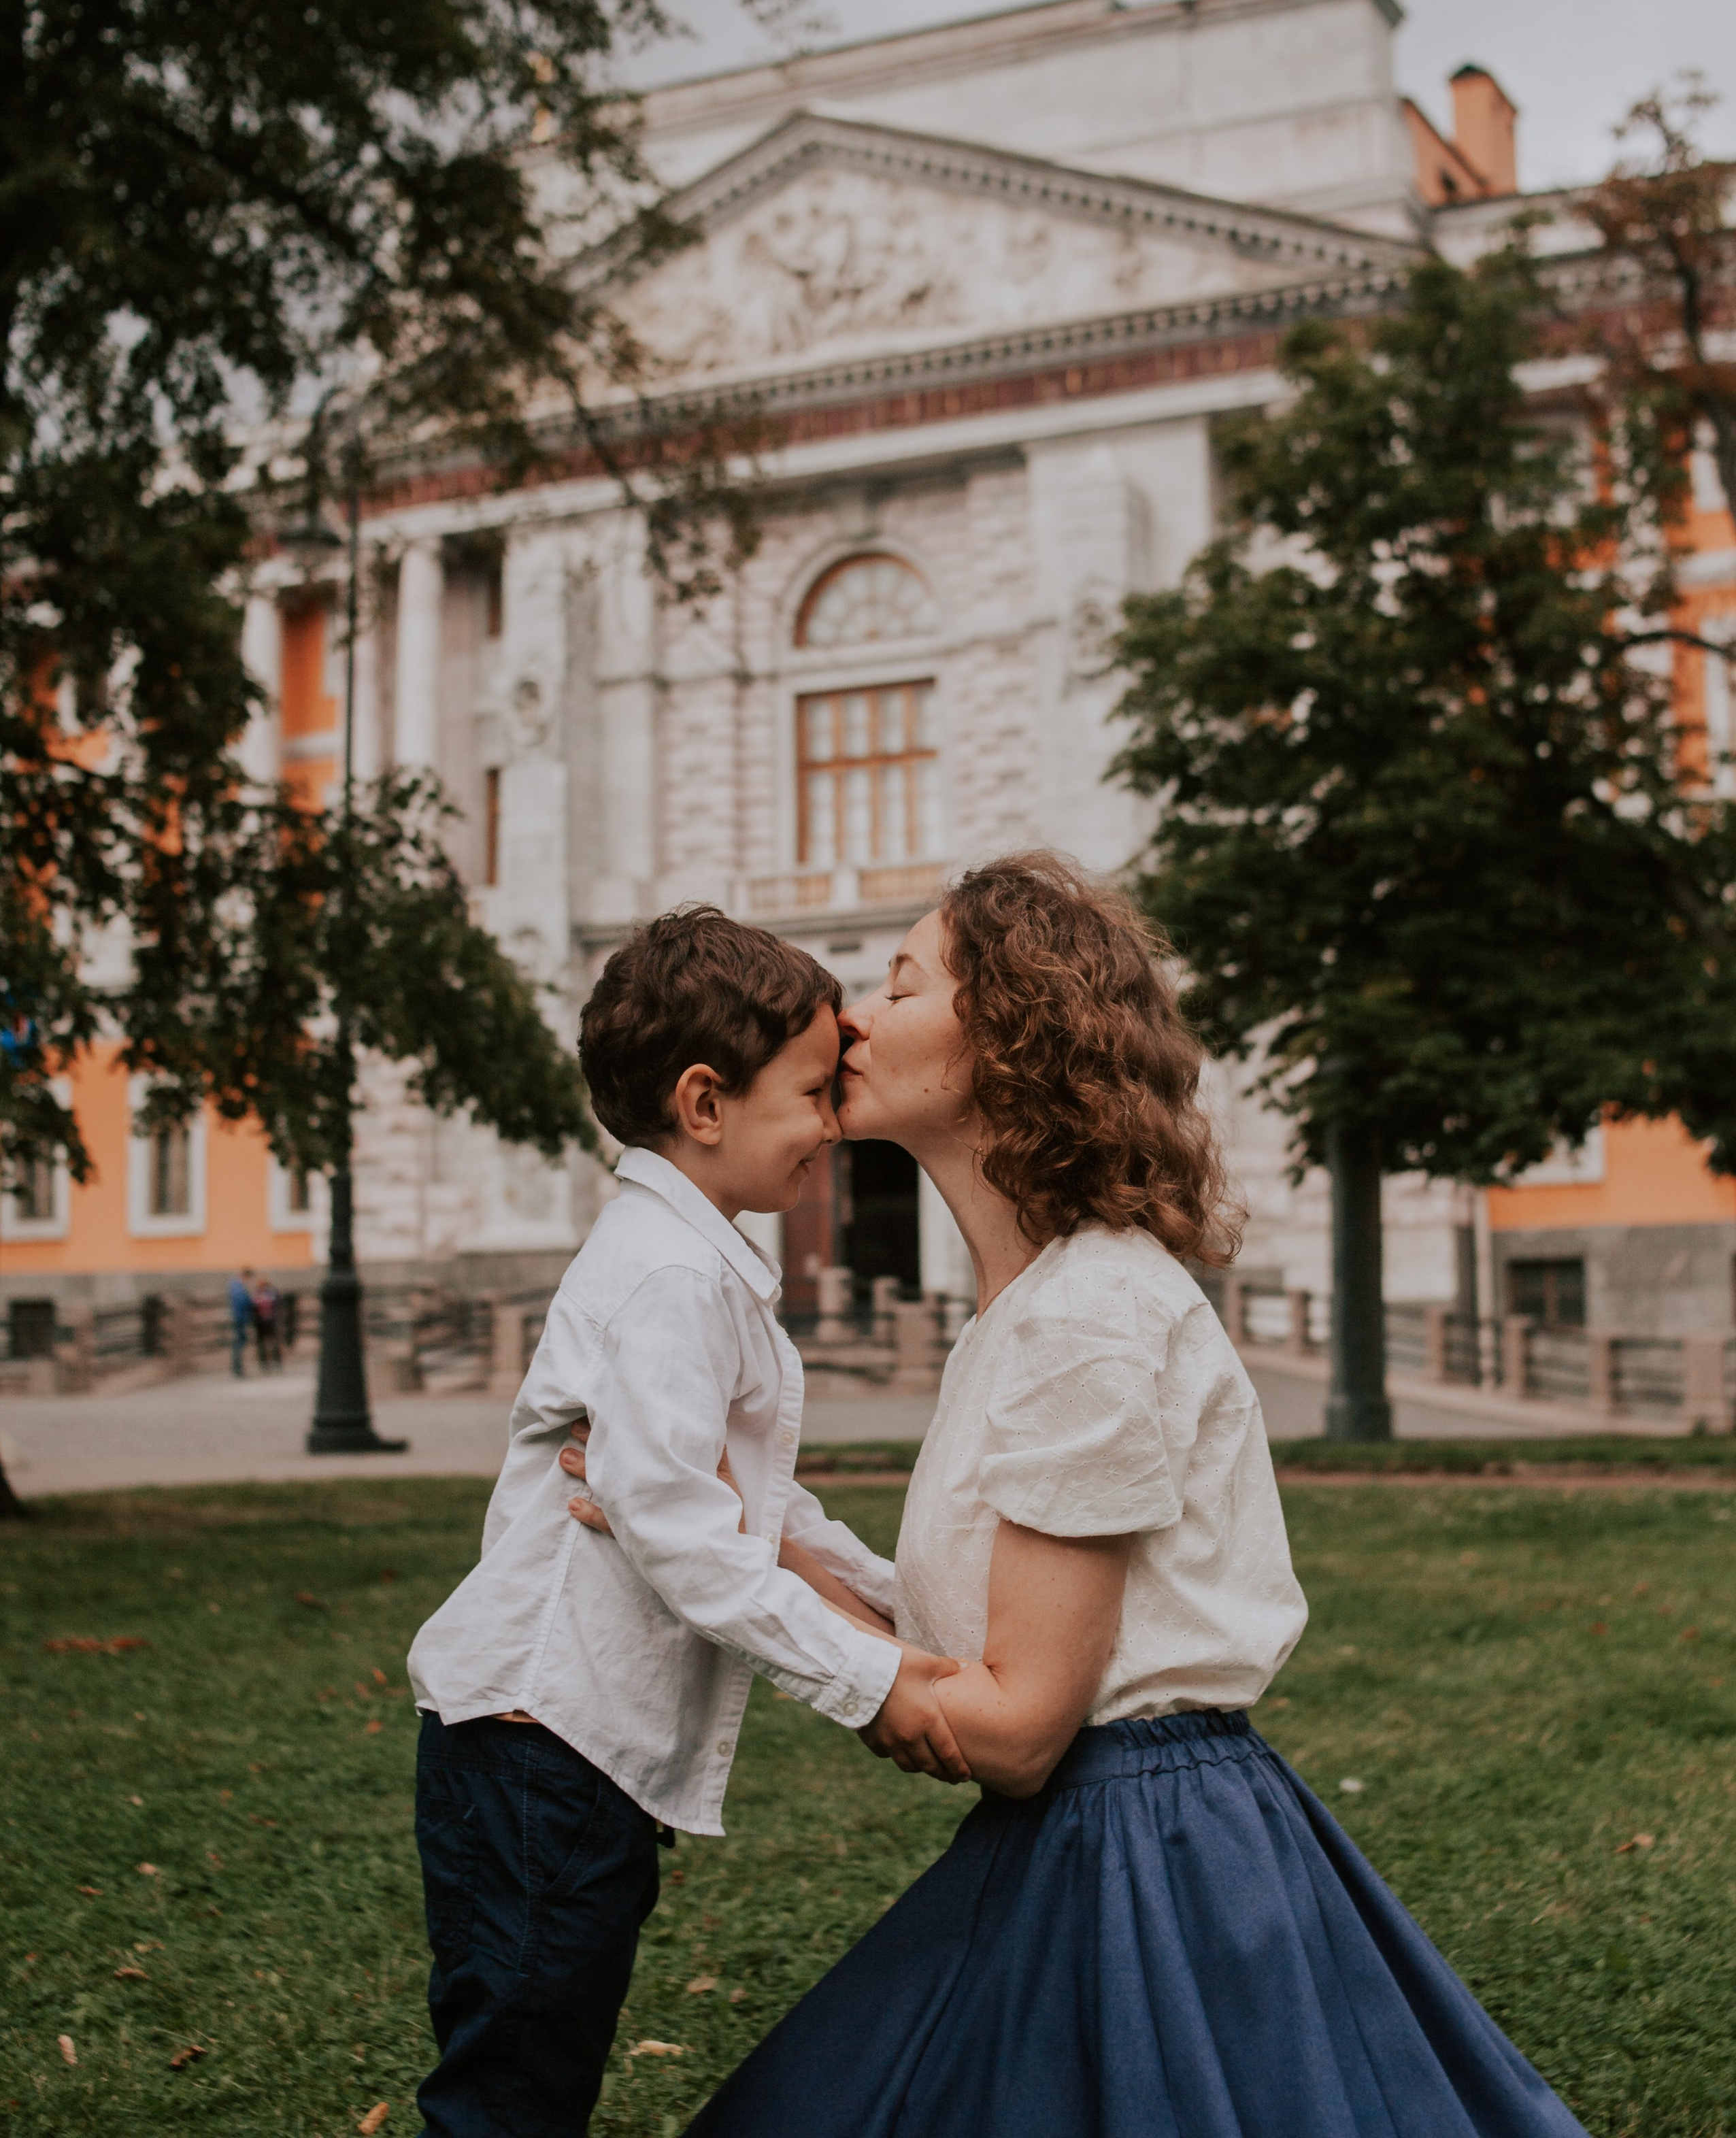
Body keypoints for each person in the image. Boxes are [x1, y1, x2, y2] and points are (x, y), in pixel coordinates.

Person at [667, 854, 1590, 2138]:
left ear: (1010, 1036)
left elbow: (1014, 1727)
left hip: (1145, 1860)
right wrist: (731, 1522)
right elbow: (965, 1640)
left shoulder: (1086, 1315)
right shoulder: (1035, 1306)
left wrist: (730, 1568)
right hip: (1099, 1837)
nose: (851, 1018)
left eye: (903, 985)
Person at [405, 907, 967, 2138]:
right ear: (705, 1103)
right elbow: (680, 1532)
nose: (833, 1126)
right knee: (513, 2089)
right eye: (812, 1094)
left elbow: (750, 1503)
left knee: (542, 2060)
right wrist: (869, 1681)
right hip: (538, 1747)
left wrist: (904, 1605)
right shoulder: (669, 1277)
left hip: (569, 1757)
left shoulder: (691, 1264)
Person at [227, 1269, 254, 1379]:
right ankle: (238, 1368)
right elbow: (243, 1302)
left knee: (239, 1343)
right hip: (240, 1318)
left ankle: (238, 1368)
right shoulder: (239, 1287)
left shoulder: (236, 1286)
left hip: (239, 1318)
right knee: (239, 1343)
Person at [252, 1277, 282, 1371]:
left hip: (269, 1322)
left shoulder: (271, 1294)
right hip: (262, 1323)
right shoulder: (258, 1295)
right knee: (263, 1343)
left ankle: (275, 1362)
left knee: (273, 1342)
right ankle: (265, 1363)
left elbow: (278, 1306)